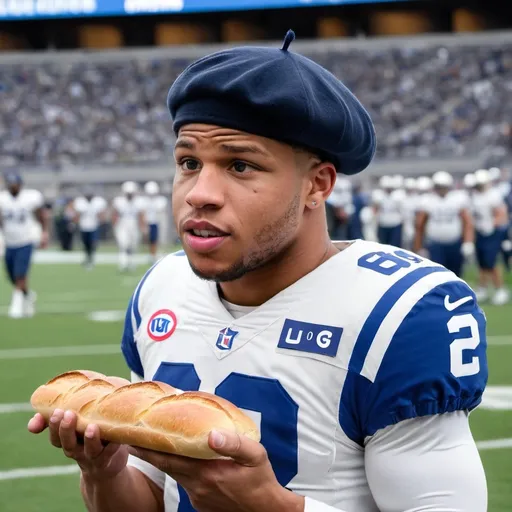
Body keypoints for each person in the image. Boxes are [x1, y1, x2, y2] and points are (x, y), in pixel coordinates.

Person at [28, 31, 488, 512]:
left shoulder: (400, 312)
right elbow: (150, 499)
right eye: (188, 162)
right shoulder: (161, 288)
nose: (199, 192)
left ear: (317, 184)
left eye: (240, 165)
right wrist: (105, 470)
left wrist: (273, 506)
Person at [0, 172, 49, 318]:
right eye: (10, 184)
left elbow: (41, 215)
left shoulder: (31, 197)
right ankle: (28, 295)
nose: (13, 187)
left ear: (20, 185)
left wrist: (44, 233)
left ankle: (16, 305)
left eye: (15, 184)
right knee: (11, 275)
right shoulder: (3, 198)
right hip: (9, 242)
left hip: (26, 240)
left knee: (20, 274)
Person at [413, 171, 474, 277]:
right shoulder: (427, 201)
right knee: (438, 274)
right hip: (435, 244)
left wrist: (468, 241)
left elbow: (467, 222)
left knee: (456, 273)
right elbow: (419, 226)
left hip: (454, 242)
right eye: (439, 187)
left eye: (444, 186)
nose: (441, 189)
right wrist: (419, 247)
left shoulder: (457, 199)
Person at [471, 169, 509, 305]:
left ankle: (500, 289)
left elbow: (502, 215)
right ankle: (482, 288)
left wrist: (491, 224)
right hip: (480, 231)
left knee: (491, 262)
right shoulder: (475, 195)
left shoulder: (494, 195)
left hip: (491, 232)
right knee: (482, 262)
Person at [112, 181, 146, 272]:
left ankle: (132, 263)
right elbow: (115, 214)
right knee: (123, 244)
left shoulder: (139, 201)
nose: (129, 195)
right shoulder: (119, 201)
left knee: (133, 245)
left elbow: (141, 215)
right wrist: (114, 225)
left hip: (134, 223)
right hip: (122, 223)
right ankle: (123, 263)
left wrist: (143, 227)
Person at [73, 188, 107, 269]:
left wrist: (102, 221)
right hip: (83, 226)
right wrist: (74, 223)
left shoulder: (97, 202)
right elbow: (77, 215)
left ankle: (91, 258)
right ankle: (87, 257)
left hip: (94, 226)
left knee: (93, 243)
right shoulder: (80, 203)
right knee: (85, 244)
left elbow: (101, 214)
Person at [373, 175, 404, 247]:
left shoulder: (398, 195)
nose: (389, 189)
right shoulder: (379, 195)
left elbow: (402, 210)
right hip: (383, 224)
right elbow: (375, 209)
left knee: (395, 246)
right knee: (383, 245)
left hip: (395, 224)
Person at [142, 181, 168, 263]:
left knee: (160, 239)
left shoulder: (161, 200)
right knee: (151, 240)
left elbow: (162, 212)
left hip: (159, 222)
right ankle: (152, 255)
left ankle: (161, 254)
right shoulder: (144, 201)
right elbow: (143, 213)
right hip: (150, 222)